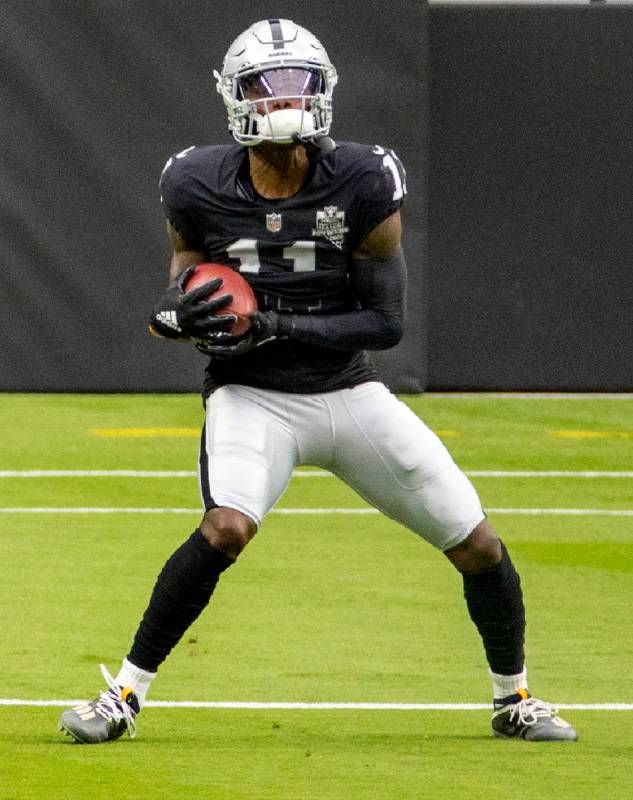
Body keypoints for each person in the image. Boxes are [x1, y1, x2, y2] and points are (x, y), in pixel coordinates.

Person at [59, 18, 577, 744]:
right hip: (252, 396)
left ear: (324, 88)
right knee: (226, 526)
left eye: (297, 83)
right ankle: (121, 696)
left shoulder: (362, 178)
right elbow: (179, 294)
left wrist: (275, 323)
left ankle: (512, 697)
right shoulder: (194, 181)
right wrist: (171, 319)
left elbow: (385, 323)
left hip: (348, 391)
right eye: (264, 88)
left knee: (477, 545)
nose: (282, 101)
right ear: (234, 98)